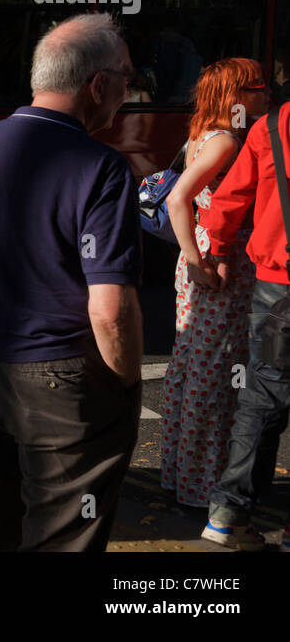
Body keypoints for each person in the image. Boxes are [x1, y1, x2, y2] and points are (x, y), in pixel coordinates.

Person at [0, 12, 143, 551]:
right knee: (63, 534)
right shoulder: (103, 167)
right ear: (98, 84)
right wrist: (125, 382)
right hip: (59, 380)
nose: (128, 93)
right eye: (126, 79)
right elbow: (110, 309)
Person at [161, 58, 268, 510]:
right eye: (259, 86)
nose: (267, 93)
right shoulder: (225, 141)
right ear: (236, 95)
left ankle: (179, 474)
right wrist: (198, 261)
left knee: (191, 365)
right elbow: (178, 197)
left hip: (203, 257)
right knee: (214, 372)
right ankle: (203, 485)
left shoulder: (202, 134)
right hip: (217, 263)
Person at [198, 67, 290, 550]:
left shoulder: (271, 127)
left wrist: (215, 253)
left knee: (263, 398)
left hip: (277, 285)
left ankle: (225, 515)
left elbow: (228, 200)